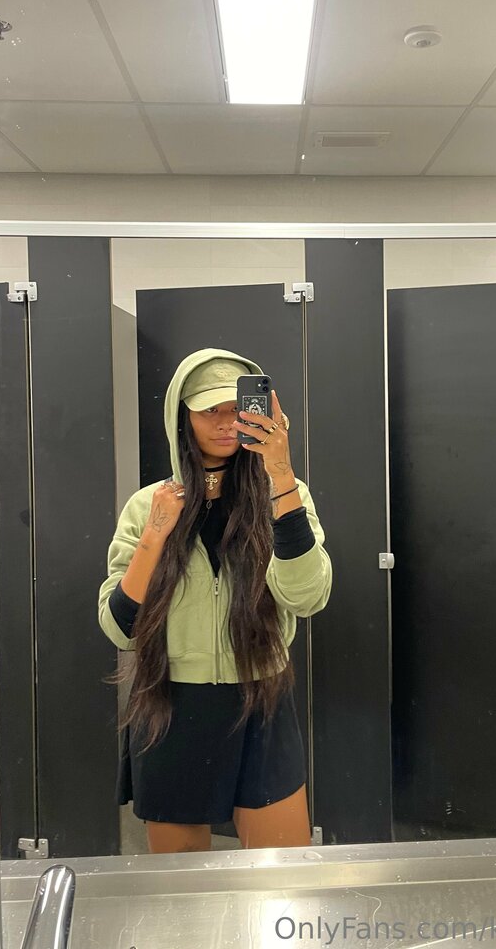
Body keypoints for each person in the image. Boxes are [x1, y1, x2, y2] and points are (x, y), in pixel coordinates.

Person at [98, 348, 332, 854]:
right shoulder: (147, 505)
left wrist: (281, 475)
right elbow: (120, 629)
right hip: (171, 704)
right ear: (182, 418)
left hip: (260, 699)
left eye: (237, 409)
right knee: (182, 884)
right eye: (210, 410)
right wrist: (156, 533)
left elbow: (308, 596)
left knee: (281, 872)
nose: (226, 422)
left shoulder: (284, 494)